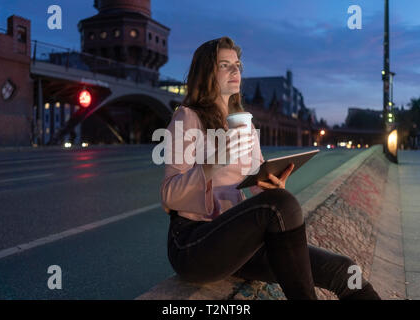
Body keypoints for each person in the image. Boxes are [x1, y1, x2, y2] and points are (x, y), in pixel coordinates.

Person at [160, 36, 381, 300]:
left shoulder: (245, 125)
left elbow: (258, 184)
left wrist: (270, 183)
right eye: (225, 65)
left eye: (238, 64)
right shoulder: (187, 117)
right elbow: (169, 196)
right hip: (193, 243)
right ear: (206, 72)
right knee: (280, 204)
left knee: (344, 271)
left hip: (238, 243)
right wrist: (217, 160)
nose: (235, 71)